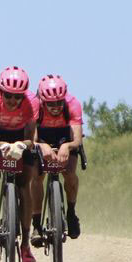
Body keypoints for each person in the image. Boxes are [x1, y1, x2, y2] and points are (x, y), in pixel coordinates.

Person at [0, 66, 39, 262]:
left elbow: (32, 139)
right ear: (0, 91)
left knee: (25, 185)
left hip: (21, 137)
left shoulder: (32, 103)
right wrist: (2, 146)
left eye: (17, 97)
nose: (12, 101)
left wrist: (22, 145)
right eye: (8, 96)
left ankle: (25, 245)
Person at [30, 74, 84, 242]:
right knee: (37, 177)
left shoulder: (73, 104)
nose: (55, 107)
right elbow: (31, 138)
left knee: (69, 173)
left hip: (65, 138)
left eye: (59, 102)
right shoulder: (34, 105)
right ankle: (36, 224)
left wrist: (67, 146)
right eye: (50, 104)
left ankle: (71, 212)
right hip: (42, 137)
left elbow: (77, 139)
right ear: (42, 100)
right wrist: (41, 145)